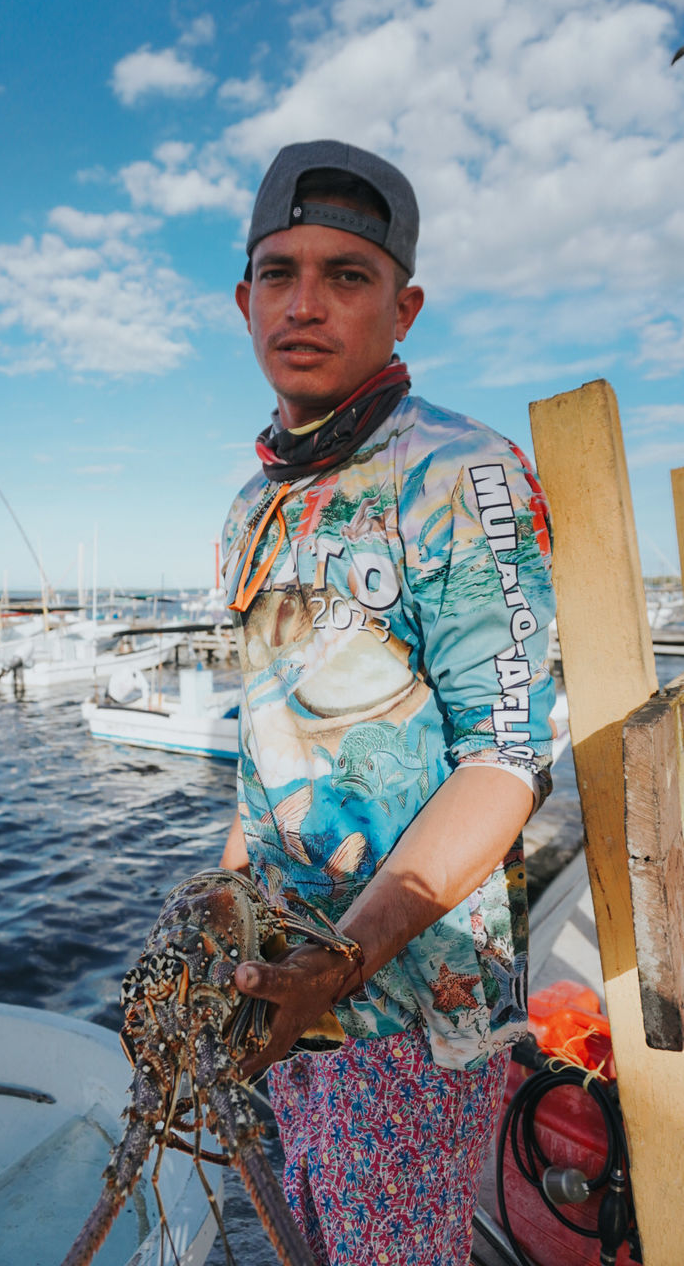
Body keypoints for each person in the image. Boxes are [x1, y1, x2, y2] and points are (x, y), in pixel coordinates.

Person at [218, 140, 556, 1265]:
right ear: (244, 298)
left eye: (347, 276)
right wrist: (227, 904)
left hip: (411, 1024)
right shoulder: (247, 511)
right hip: (281, 1004)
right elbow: (264, 748)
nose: (304, 304)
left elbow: (504, 761)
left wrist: (338, 964)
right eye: (280, 272)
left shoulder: (468, 474)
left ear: (403, 307)